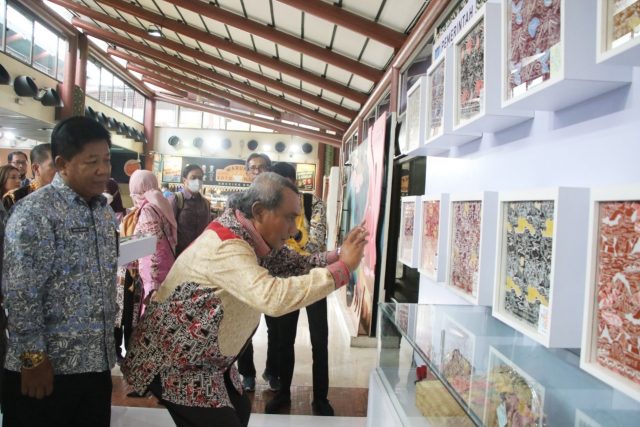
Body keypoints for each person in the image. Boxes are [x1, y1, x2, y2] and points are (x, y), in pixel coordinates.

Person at [121, 172, 367, 427]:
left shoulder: (245, 232)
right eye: (289, 218)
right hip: (177, 361)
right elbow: (273, 297)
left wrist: (338, 255)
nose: (294, 231)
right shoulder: (228, 245)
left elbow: (290, 261)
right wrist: (343, 269)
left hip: (209, 360)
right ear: (259, 211)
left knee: (240, 411)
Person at [1, 116, 117, 426]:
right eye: (91, 162)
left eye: (106, 160)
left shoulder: (103, 212)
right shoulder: (35, 212)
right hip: (47, 371)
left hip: (94, 365)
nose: (103, 170)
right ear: (63, 163)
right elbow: (21, 293)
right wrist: (33, 359)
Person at [264, 161, 333, 415]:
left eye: (282, 183)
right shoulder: (272, 208)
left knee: (319, 341)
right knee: (283, 340)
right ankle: (282, 393)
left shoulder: (312, 204)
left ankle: (321, 398)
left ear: (293, 181)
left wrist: (291, 230)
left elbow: (315, 246)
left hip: (314, 279)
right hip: (285, 282)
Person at [115, 170, 177, 370]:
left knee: (149, 327)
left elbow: (152, 248)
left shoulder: (148, 209)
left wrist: (151, 284)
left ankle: (148, 376)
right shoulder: (160, 203)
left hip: (151, 279)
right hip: (163, 274)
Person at [237, 152, 278, 391]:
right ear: (247, 171)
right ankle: (247, 374)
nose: (258, 172)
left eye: (263, 168)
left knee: (276, 327)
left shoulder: (277, 200)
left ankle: (272, 371)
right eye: (253, 168)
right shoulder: (239, 201)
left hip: (274, 271)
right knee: (245, 326)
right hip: (247, 273)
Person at [171, 164, 211, 256]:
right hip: (179, 254)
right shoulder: (176, 199)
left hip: (199, 254)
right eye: (193, 177)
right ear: (184, 180)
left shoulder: (206, 203)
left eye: (200, 178)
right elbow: (168, 229)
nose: (197, 181)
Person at [3, 143, 56, 212]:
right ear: (36, 168)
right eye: (54, 165)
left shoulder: (65, 194)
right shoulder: (14, 197)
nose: (62, 170)